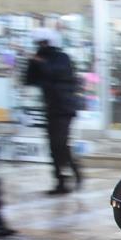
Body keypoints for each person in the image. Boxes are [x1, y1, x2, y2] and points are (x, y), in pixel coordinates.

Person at [24, 29, 82, 195]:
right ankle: (62, 180)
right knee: (54, 146)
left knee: (60, 143)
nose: (41, 47)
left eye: (43, 43)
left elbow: (56, 73)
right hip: (51, 107)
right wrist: (32, 63)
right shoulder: (41, 58)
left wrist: (40, 62)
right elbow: (29, 80)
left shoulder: (61, 58)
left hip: (64, 108)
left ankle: (72, 173)